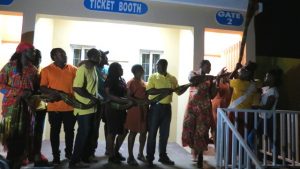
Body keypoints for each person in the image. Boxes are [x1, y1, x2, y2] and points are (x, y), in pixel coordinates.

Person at [0, 42, 38, 169]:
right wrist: (18, 92)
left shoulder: (33, 69)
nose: (34, 53)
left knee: (23, 138)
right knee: (11, 137)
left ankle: (17, 162)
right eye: (31, 51)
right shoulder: (10, 66)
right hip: (11, 107)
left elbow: (34, 90)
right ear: (23, 51)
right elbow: (0, 84)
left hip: (27, 108)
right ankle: (11, 163)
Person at [146, 59, 187, 167]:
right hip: (155, 107)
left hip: (167, 108)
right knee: (152, 134)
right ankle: (149, 157)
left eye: (162, 65)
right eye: (158, 65)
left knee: (164, 135)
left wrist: (186, 87)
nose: (160, 67)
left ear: (166, 66)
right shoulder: (153, 77)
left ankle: (162, 156)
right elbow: (149, 91)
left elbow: (178, 92)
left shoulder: (172, 78)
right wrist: (164, 90)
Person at [40, 48, 77, 165]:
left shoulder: (74, 69)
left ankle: (69, 153)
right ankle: (56, 156)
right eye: (60, 54)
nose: (64, 56)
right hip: (54, 107)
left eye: (64, 54)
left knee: (70, 132)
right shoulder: (46, 70)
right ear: (54, 57)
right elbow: (42, 87)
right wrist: (58, 93)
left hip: (70, 107)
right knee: (55, 132)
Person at [181, 60, 220, 168]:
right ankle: (195, 152)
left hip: (204, 109)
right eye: (208, 66)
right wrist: (209, 77)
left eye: (211, 67)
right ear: (202, 66)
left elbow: (212, 95)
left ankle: (201, 156)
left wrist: (216, 84)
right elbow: (192, 80)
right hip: (192, 108)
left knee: (202, 131)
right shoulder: (193, 73)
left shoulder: (210, 80)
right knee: (190, 129)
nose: (210, 69)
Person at [69, 48, 101, 168]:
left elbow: (92, 87)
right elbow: (77, 87)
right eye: (98, 56)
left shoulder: (93, 68)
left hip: (92, 107)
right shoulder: (83, 68)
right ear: (92, 56)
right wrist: (91, 98)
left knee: (89, 134)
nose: (100, 58)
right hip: (84, 108)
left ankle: (84, 158)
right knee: (83, 134)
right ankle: (74, 161)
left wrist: (97, 98)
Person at [247, 68, 283, 158]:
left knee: (254, 138)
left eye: (267, 76)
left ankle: (259, 158)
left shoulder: (273, 91)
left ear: (272, 78)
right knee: (271, 140)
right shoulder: (266, 89)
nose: (265, 77)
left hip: (268, 118)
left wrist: (256, 106)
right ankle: (265, 159)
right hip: (263, 117)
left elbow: (268, 106)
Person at [104, 62, 132, 164]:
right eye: (120, 68)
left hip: (122, 108)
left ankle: (116, 152)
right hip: (112, 108)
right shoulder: (109, 80)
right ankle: (111, 155)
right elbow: (109, 95)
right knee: (112, 132)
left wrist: (128, 97)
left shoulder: (122, 80)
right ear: (115, 70)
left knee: (124, 130)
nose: (122, 69)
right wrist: (124, 101)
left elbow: (126, 93)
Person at [29, 49, 50, 167]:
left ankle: (36, 154)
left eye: (39, 57)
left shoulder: (41, 71)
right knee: (29, 131)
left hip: (41, 106)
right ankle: (28, 154)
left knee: (38, 131)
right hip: (30, 106)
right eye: (36, 57)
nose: (38, 60)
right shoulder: (28, 71)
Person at [125, 64, 148, 166]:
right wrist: (140, 101)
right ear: (136, 71)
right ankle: (130, 156)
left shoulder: (143, 82)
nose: (143, 71)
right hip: (134, 110)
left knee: (143, 133)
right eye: (141, 70)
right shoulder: (131, 82)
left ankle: (140, 154)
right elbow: (128, 96)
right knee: (133, 133)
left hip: (144, 110)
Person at [94, 50, 109, 157]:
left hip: (108, 101)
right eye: (104, 57)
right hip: (96, 101)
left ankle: (109, 149)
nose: (107, 59)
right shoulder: (93, 68)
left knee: (108, 126)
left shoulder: (108, 69)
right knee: (95, 126)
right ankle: (92, 150)